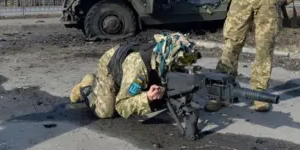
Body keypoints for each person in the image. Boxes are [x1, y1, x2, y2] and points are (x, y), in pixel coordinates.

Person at [69, 32, 201, 119]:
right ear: (168, 58)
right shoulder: (138, 68)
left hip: (133, 64)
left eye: (188, 61)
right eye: (183, 61)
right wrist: (147, 97)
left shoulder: (167, 61)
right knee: (105, 112)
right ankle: (87, 83)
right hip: (111, 66)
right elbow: (121, 105)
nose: (185, 65)